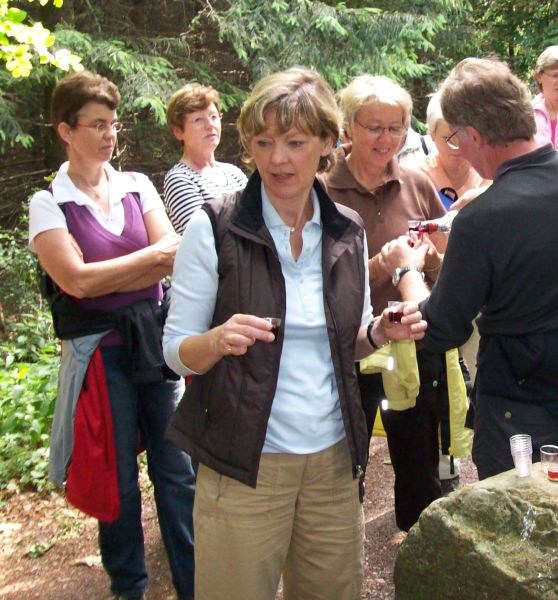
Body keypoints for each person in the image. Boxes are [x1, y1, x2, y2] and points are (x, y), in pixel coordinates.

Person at [162, 67, 424, 600]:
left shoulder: (345, 230)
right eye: (263, 141)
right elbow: (174, 353)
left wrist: (380, 330)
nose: (277, 158)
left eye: (295, 142)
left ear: (328, 142)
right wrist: (217, 340)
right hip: (244, 463)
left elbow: (343, 343)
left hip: (332, 462)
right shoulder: (214, 228)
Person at [381, 57, 558, 498]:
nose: (460, 149)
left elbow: (438, 328)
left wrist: (406, 268)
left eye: (458, 139)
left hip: (522, 408)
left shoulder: (483, 219)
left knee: (522, 532)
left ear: (475, 136)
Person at [28, 71, 195, 600]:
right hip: (99, 357)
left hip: (154, 347)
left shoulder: (137, 186)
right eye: (96, 125)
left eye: (113, 124)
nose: (108, 135)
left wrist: (108, 274)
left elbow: (174, 254)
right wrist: (145, 265)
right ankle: (129, 587)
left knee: (177, 471)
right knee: (117, 478)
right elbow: (74, 281)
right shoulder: (49, 203)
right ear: (65, 131)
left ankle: (196, 582)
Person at [320, 74, 452, 532]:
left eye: (396, 127)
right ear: (348, 127)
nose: (386, 138)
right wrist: (382, 265)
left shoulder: (417, 183)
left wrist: (430, 261)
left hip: (412, 343)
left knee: (418, 460)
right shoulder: (320, 192)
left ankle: (419, 551)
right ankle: (338, 550)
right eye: (374, 127)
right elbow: (317, 279)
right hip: (347, 345)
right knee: (344, 462)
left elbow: (441, 264)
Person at [163, 83, 248, 233]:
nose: (210, 125)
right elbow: (205, 236)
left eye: (214, 117)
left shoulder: (234, 173)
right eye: (198, 120)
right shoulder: (179, 179)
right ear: (178, 132)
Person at [415, 91, 492, 211]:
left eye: (465, 137)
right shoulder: (417, 177)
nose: (459, 147)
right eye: (449, 139)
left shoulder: (490, 174)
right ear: (432, 134)